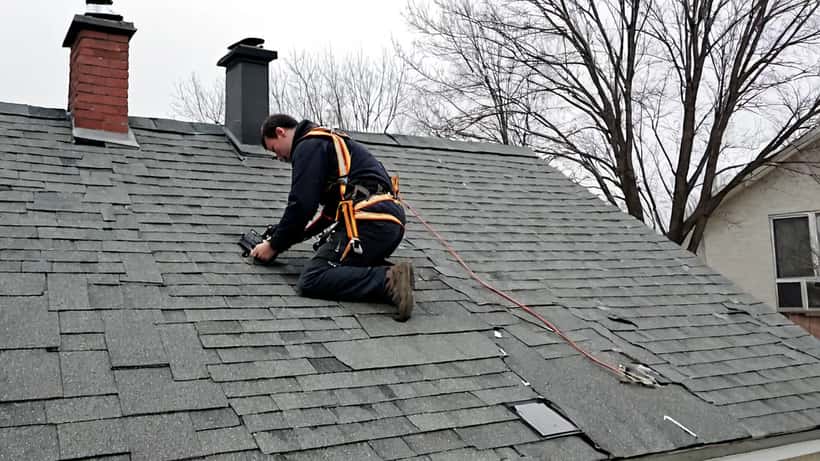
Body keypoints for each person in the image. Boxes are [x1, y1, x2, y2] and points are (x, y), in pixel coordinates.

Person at [251, 114, 414, 321]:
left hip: (369, 219)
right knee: (342, 266)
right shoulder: (329, 142)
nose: (281, 158)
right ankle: (399, 276)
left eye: (275, 150)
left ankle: (388, 279)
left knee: (313, 277)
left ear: (280, 132)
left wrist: (273, 246)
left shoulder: (308, 144)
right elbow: (328, 215)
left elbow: (301, 205)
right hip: (388, 222)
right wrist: (289, 237)